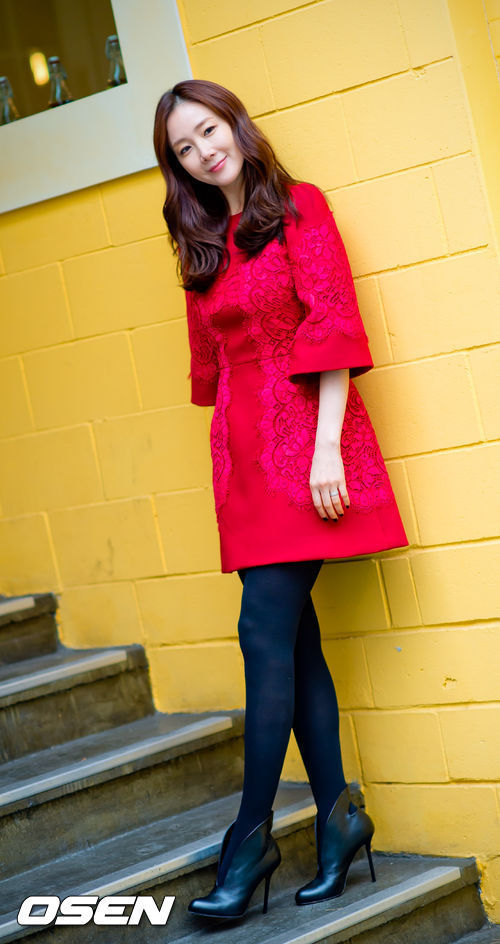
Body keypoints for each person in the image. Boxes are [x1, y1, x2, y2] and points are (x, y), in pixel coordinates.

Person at [153, 78, 409, 920]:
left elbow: (332, 322)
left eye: (208, 131)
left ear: (235, 124)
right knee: (295, 646)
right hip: (242, 462)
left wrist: (328, 446)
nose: (203, 152)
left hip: (304, 449)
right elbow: (212, 367)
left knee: (261, 634)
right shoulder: (200, 245)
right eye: (183, 149)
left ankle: (249, 837)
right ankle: (339, 821)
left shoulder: (300, 208)